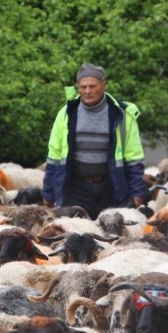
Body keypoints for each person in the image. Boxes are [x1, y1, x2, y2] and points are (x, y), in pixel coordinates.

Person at [41, 62, 146, 220]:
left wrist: (137, 192)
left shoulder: (122, 116)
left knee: (113, 237)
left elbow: (134, 158)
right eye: (83, 87)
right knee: (74, 236)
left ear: (104, 85)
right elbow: (54, 157)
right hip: (75, 188)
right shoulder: (66, 114)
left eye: (92, 86)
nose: (87, 91)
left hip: (110, 188)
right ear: (78, 87)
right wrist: (48, 193)